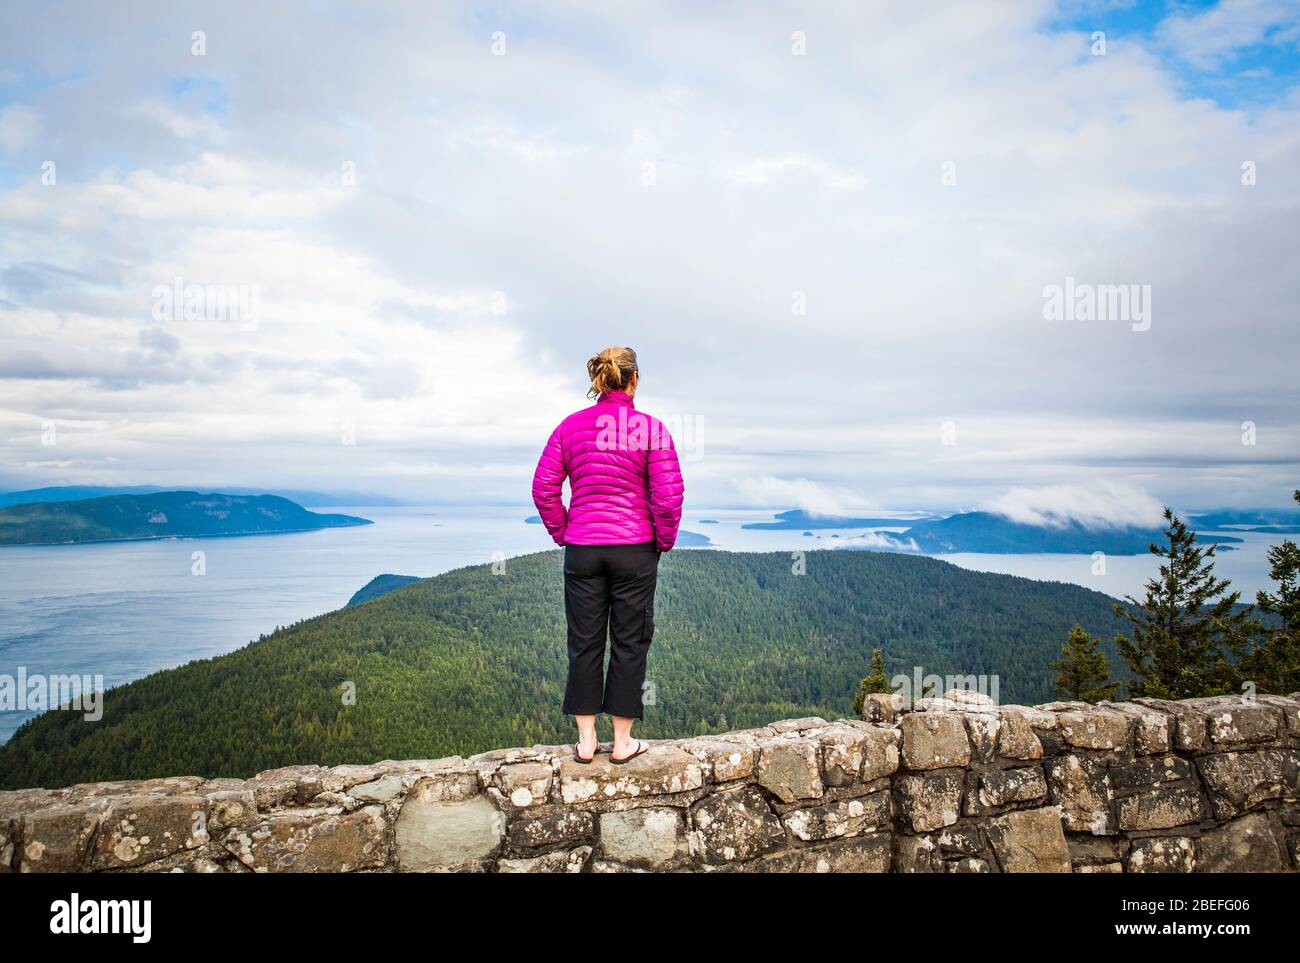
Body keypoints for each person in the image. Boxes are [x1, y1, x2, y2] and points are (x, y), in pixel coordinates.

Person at [531, 346, 684, 764]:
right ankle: (621, 743)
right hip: (634, 551)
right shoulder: (649, 429)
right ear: (633, 381)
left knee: (584, 643)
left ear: (600, 381)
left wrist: (565, 531)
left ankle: (584, 742)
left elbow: (543, 487)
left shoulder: (570, 427)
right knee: (630, 641)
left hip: (582, 551)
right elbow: (668, 498)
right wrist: (662, 540)